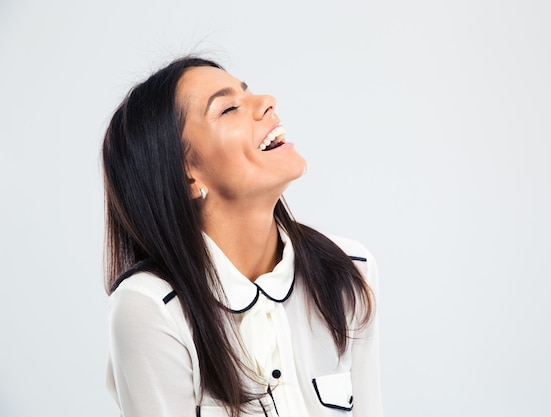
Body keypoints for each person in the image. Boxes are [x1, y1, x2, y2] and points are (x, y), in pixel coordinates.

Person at [102, 56, 383, 417]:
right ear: (187, 176)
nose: (267, 102)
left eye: (247, 93)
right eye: (229, 108)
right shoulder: (152, 307)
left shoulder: (350, 269)